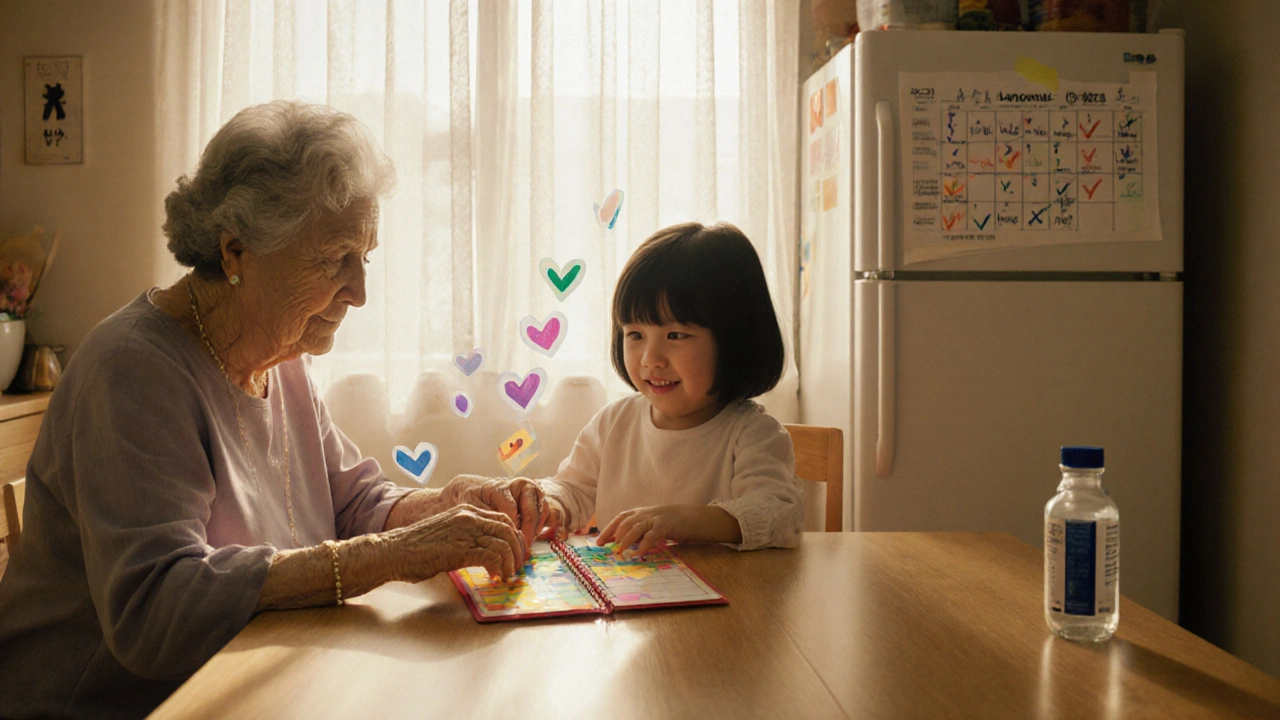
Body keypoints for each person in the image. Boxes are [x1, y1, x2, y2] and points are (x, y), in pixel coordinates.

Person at [0, 100, 549, 720]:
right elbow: (154, 613)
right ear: (235, 252)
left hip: (251, 684)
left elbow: (351, 504)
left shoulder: (280, 354)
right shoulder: (131, 370)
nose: (360, 292)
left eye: (364, 257)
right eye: (334, 258)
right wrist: (395, 554)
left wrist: (449, 505)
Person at [536, 222, 804, 556]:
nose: (650, 359)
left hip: (727, 602)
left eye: (675, 335)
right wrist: (548, 504)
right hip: (628, 599)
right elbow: (571, 489)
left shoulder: (752, 434)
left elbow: (779, 516)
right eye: (634, 335)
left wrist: (685, 520)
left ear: (734, 340)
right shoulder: (612, 423)